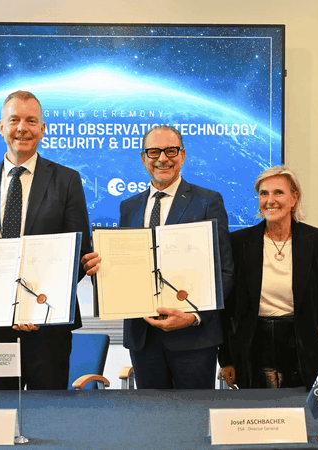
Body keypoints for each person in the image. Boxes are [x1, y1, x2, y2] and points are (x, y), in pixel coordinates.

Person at [0, 90, 92, 390]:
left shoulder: (67, 181)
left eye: (31, 121)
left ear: (43, 129)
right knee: (0, 413)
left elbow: (79, 253)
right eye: (14, 120)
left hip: (47, 327)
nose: (22, 128)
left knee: (49, 418)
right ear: (0, 126)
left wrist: (39, 306)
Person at [81, 125, 234, 389]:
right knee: (151, 421)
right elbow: (125, 269)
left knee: (195, 419)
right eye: (154, 152)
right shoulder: (129, 206)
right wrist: (99, 274)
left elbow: (225, 272)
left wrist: (195, 316)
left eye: (170, 150)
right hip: (143, 339)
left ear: (182, 155)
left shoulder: (208, 201)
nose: (162, 158)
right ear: (144, 158)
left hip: (194, 338)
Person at [219, 166, 318, 390]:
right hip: (252, 353)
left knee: (306, 421)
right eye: (264, 193)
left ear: (294, 198)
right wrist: (226, 358)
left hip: (303, 353)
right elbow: (228, 308)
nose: (270, 200)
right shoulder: (239, 242)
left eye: (278, 193)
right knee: (256, 421)